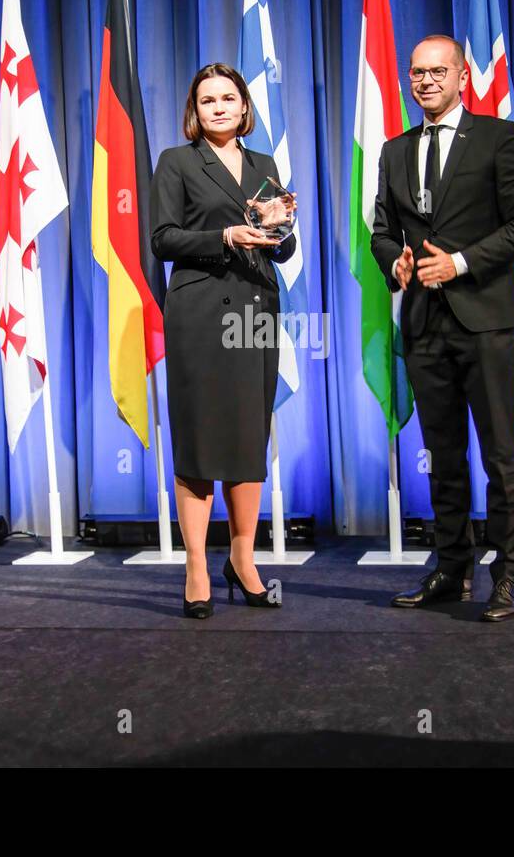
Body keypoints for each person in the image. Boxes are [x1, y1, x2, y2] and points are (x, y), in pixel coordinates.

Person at [371, 35, 514, 621]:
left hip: (485, 321)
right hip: (423, 324)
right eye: (416, 73)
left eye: (437, 71)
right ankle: (451, 567)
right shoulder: (393, 151)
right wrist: (393, 259)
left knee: (499, 452)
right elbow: (381, 231)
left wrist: (462, 262)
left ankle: (507, 576)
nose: (425, 81)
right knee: (441, 454)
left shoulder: (499, 138)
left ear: (462, 75)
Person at [150, 62, 296, 619]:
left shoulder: (264, 163)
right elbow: (163, 238)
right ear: (196, 109)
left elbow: (278, 248)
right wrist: (224, 234)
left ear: (243, 108)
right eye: (207, 99)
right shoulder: (177, 162)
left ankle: (243, 558)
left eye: (228, 98)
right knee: (199, 440)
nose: (218, 107)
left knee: (245, 436)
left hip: (256, 309)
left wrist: (280, 226)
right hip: (199, 314)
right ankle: (195, 566)